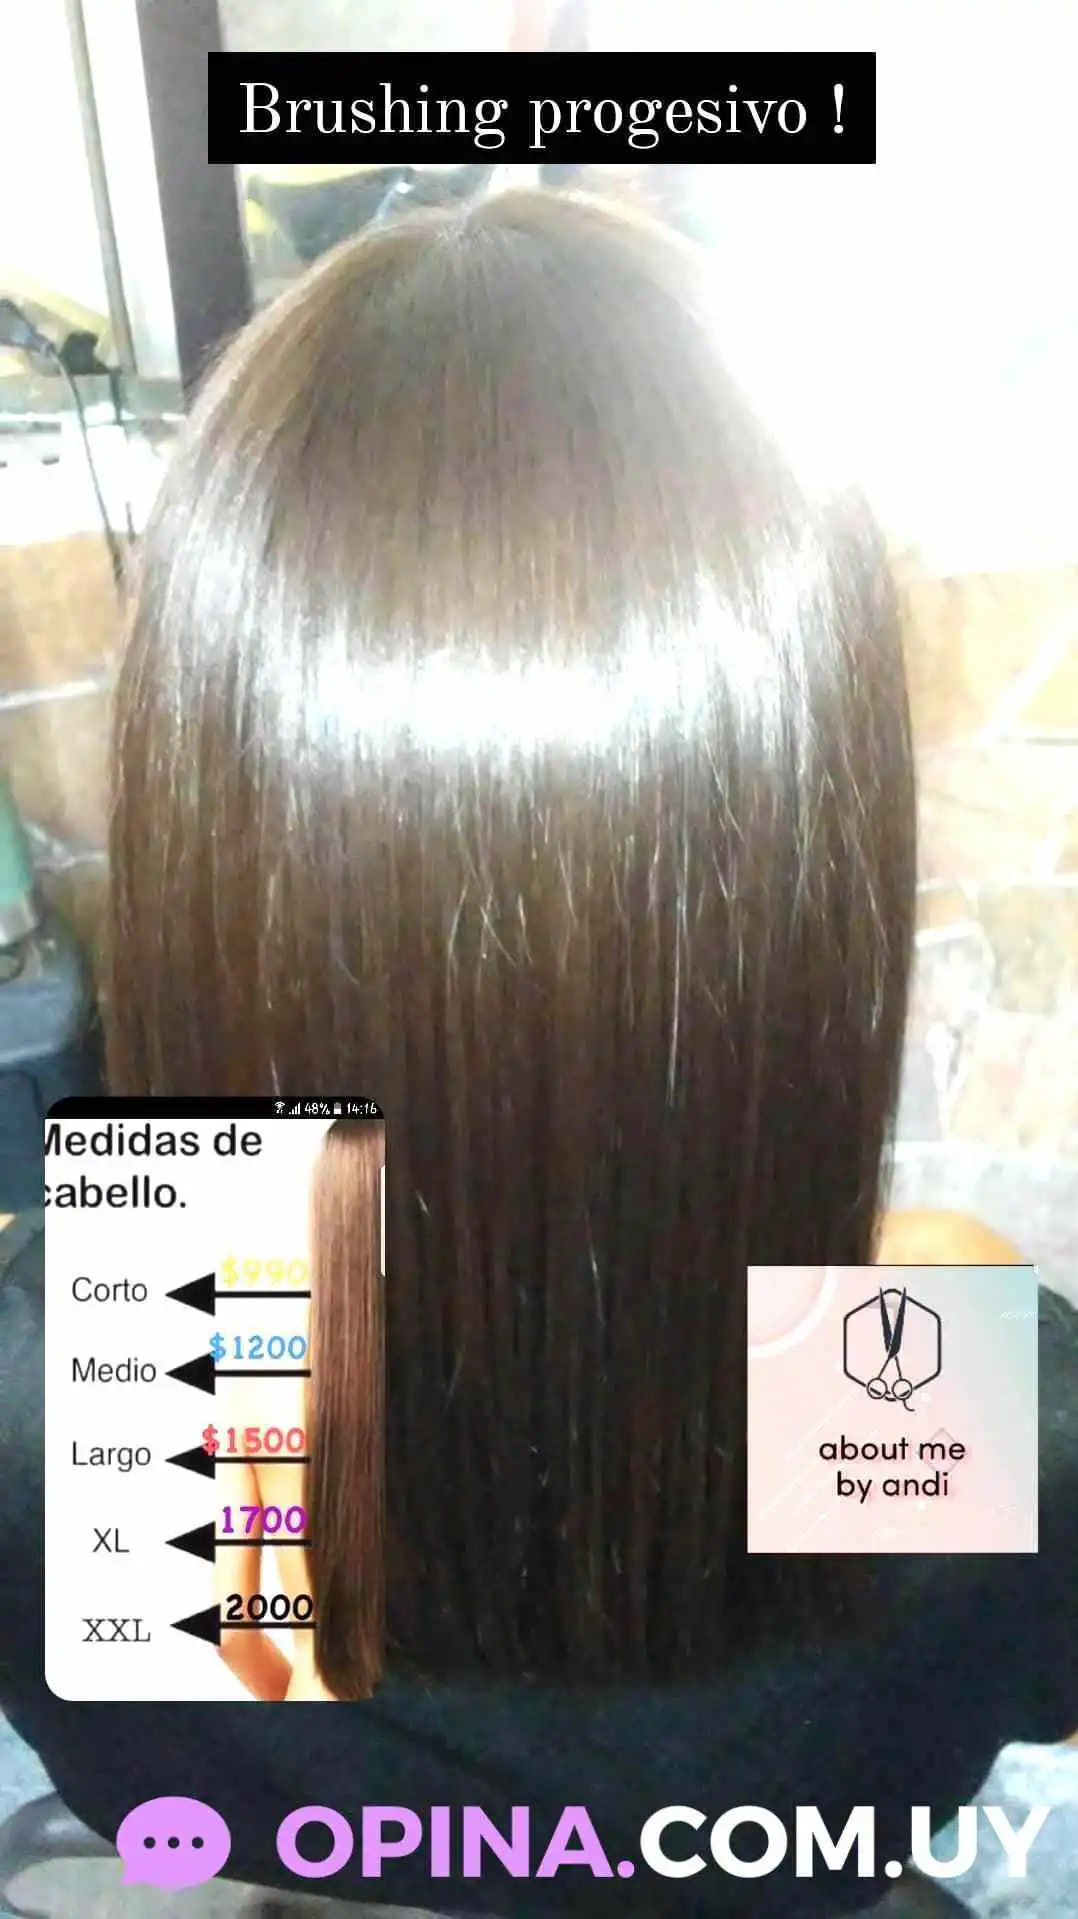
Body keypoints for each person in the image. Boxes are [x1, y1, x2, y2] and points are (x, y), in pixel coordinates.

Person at [1, 188, 1076, 1918]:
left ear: (209, 806)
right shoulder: (960, 1380)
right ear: (810, 843)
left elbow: (148, 1737)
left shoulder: (78, 1370)